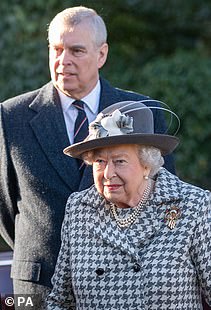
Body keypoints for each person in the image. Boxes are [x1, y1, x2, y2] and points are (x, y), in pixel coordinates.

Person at [0, 6, 175, 308]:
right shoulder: (10, 117)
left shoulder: (143, 112)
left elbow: (164, 203)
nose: (63, 61)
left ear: (102, 55)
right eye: (56, 49)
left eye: (76, 51)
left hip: (124, 284)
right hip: (38, 286)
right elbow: (4, 208)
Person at [46, 100, 211, 310]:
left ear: (146, 164)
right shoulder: (80, 209)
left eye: (119, 161)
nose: (108, 173)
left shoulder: (191, 206)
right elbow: (60, 302)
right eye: (100, 162)